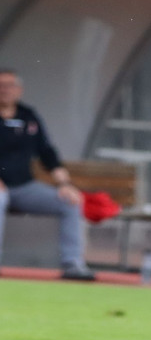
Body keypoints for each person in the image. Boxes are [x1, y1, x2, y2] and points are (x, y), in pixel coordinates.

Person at [0, 68, 94, 281]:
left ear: (19, 90)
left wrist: (65, 184)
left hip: (24, 186)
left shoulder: (28, 116)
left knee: (70, 202)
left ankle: (73, 263)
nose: (5, 90)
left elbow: (47, 153)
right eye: (1, 86)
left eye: (10, 86)